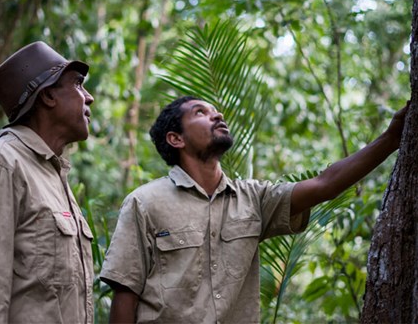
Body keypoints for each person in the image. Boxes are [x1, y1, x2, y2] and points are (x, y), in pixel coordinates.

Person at [100, 95, 408, 324]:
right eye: (201, 112)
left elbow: (325, 184)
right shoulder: (145, 202)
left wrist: (392, 138)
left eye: (215, 110)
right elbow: (126, 295)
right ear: (175, 138)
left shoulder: (253, 199)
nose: (217, 115)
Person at [0, 41, 95, 323]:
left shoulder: (52, 172)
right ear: (48, 96)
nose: (88, 98)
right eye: (78, 84)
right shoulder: (6, 162)